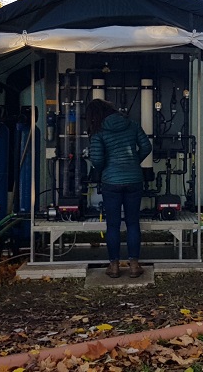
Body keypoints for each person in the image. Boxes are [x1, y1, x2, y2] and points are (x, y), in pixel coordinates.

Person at [86, 99, 152, 278]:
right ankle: (134, 266)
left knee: (113, 225)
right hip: (134, 181)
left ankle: (114, 267)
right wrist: (133, 163)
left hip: (111, 183)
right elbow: (146, 146)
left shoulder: (98, 132)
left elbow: (97, 159)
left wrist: (105, 170)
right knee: (132, 222)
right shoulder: (132, 124)